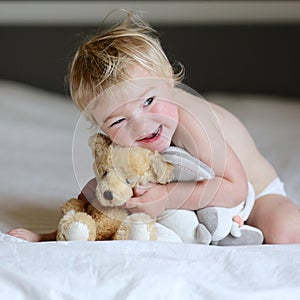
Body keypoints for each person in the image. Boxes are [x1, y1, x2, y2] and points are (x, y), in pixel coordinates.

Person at [8, 12, 300, 244]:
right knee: (114, 207)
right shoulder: (121, 145)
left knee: (284, 232)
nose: (141, 124)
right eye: (118, 121)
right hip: (189, 210)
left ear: (169, 80)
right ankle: (56, 238)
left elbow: (236, 189)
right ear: (99, 126)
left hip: (253, 196)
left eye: (148, 101)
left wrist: (167, 197)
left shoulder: (192, 123)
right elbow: (107, 197)